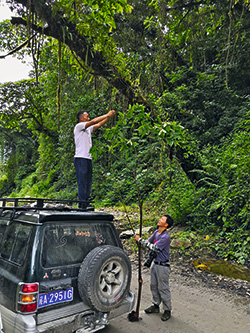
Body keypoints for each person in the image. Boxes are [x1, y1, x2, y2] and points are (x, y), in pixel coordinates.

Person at [134, 214, 174, 321]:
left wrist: (140, 241)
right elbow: (149, 241)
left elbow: (154, 247)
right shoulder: (156, 232)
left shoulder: (166, 237)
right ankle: (156, 306)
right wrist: (140, 241)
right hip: (155, 263)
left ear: (166, 224)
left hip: (163, 266)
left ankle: (167, 310)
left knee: (163, 288)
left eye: (162, 219)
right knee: (154, 286)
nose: (159, 219)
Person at [74, 109, 115, 206]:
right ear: (81, 118)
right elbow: (94, 121)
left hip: (88, 158)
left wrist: (108, 117)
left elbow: (98, 125)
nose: (88, 118)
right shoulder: (79, 126)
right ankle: (82, 204)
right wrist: (106, 115)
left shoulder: (87, 129)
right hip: (80, 158)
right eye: (86, 117)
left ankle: (86, 202)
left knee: (88, 181)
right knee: (82, 181)